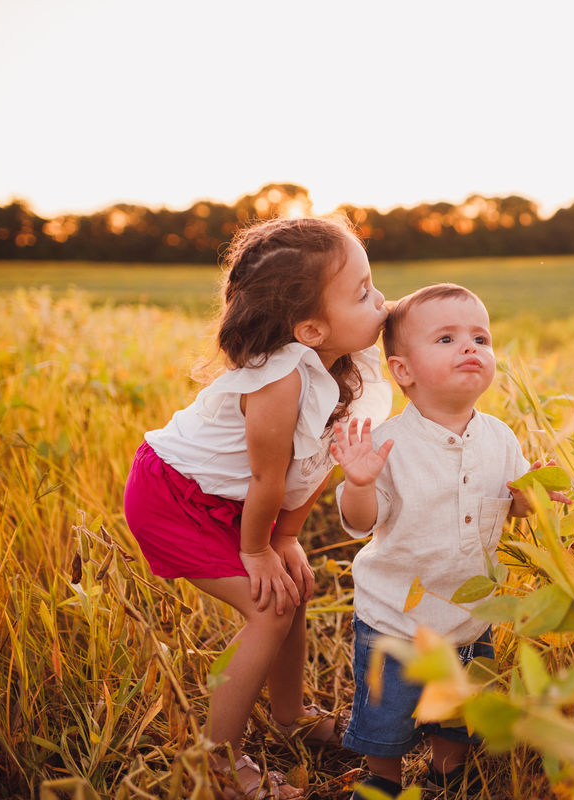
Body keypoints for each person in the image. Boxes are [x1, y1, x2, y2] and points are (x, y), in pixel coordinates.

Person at [123, 215, 392, 799]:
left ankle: (290, 716)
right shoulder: (278, 380)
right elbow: (270, 476)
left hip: (232, 500)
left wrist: (287, 539)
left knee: (294, 590)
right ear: (311, 328)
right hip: (173, 497)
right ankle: (218, 761)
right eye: (364, 293)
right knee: (270, 608)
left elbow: (312, 466)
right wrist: (257, 548)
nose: (382, 303)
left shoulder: (343, 365)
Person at [330, 283, 567, 798]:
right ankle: (382, 779)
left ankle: (447, 773)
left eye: (481, 337)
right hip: (396, 617)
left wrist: (535, 495)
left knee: (459, 712)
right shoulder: (388, 442)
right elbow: (361, 521)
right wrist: (359, 482)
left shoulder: (502, 438)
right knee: (387, 714)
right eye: (446, 338)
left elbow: (515, 508)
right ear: (404, 372)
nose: (470, 348)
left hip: (471, 613)